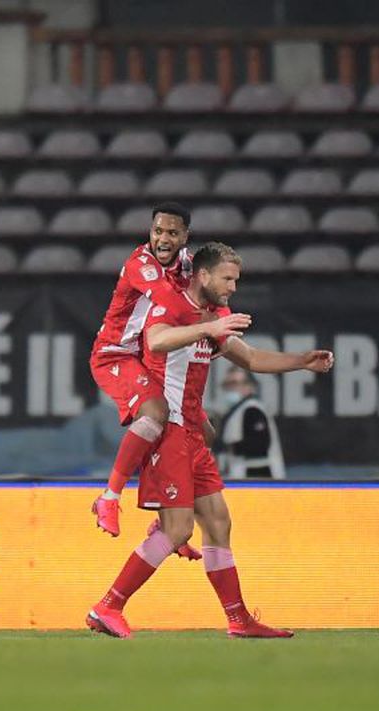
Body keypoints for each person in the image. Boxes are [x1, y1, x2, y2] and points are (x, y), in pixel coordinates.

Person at [86, 243, 334, 639]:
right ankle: (108, 605)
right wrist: (209, 328)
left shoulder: (212, 317)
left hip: (192, 436)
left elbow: (251, 359)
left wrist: (301, 361)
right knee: (179, 530)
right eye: (228, 278)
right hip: (167, 433)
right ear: (203, 275)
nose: (233, 287)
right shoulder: (172, 305)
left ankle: (239, 620)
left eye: (236, 279)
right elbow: (157, 341)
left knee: (218, 522)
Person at [89, 202, 213, 559]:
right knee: (156, 414)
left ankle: (165, 520)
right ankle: (109, 498)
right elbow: (171, 301)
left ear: (185, 236)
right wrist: (210, 322)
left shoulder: (189, 263)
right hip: (115, 355)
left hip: (148, 358)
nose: (163, 239)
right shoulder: (139, 265)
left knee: (199, 431)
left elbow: (207, 291)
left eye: (172, 233)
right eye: (158, 231)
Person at [216, 366, 285, 479]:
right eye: (227, 384)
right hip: (243, 479)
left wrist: (227, 446)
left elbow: (259, 445)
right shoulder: (236, 411)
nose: (230, 388)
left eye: (234, 383)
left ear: (249, 386)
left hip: (260, 479)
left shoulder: (252, 409)